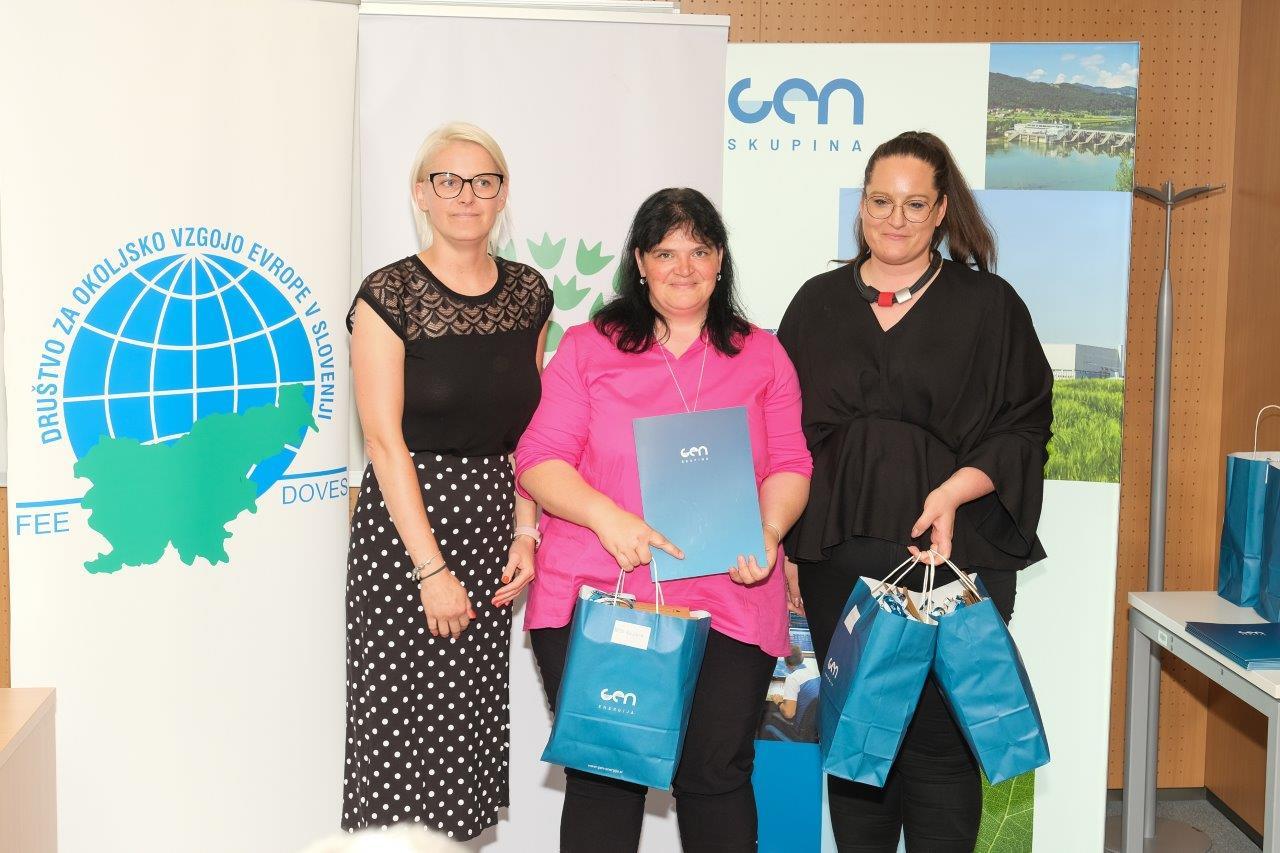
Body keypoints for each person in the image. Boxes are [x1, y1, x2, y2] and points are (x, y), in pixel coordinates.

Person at [777, 130, 1053, 852]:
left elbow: (1026, 424)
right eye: (880, 201)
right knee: (858, 746)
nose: (894, 218)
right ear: (861, 206)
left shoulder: (989, 305)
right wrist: (790, 553)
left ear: (941, 212)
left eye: (914, 204)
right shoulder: (815, 304)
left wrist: (956, 491)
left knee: (940, 750)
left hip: (956, 557)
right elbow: (783, 439)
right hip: (838, 563)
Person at [515, 187, 813, 853]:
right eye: (665, 252)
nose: (683, 267)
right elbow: (538, 459)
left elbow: (792, 463)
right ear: (640, 262)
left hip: (730, 592)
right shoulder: (588, 348)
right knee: (606, 778)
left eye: (699, 251)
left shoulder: (763, 354)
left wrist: (768, 533)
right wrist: (607, 517)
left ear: (720, 259)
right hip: (601, 592)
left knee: (715, 777)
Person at [343, 122, 552, 840]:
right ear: (420, 194)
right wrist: (430, 569)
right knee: (399, 732)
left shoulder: (529, 293)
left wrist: (527, 531)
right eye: (449, 181)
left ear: (502, 195)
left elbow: (530, 430)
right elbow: (382, 440)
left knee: (463, 733)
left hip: (493, 524)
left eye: (483, 181)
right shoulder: (388, 294)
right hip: (407, 535)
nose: (467, 195)